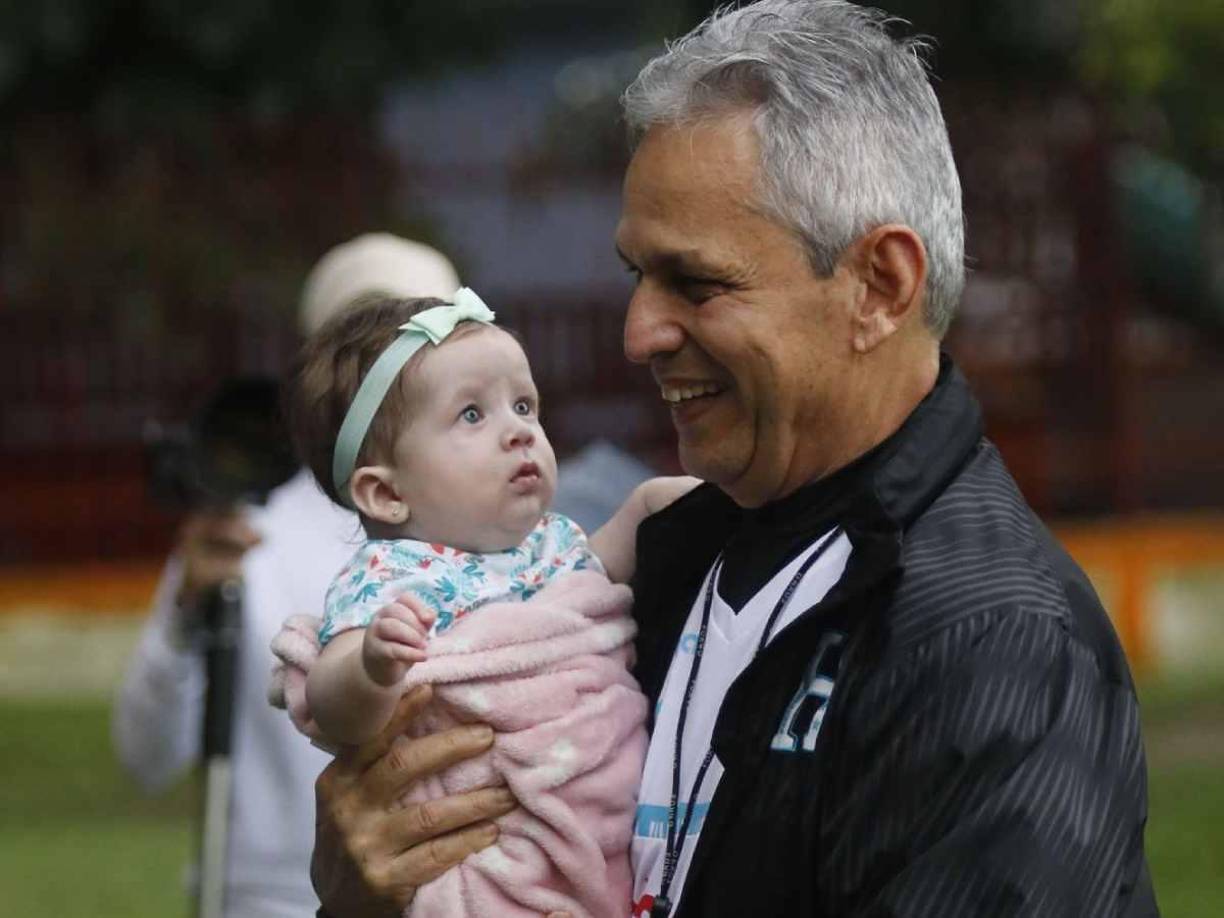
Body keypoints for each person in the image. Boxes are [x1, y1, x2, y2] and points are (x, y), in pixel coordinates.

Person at [307, 3, 1160, 917]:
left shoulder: (994, 642)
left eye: (697, 283)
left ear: (879, 287)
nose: (640, 333)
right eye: (637, 275)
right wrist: (363, 899)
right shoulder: (660, 558)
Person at [267, 289, 695, 916]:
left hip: (596, 808)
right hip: (494, 845)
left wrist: (649, 506)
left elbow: (593, 577)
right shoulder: (392, 578)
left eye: (524, 405)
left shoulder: (548, 542)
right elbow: (333, 704)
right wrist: (371, 666)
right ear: (386, 494)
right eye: (472, 415)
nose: (519, 431)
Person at [112, 233, 464, 918]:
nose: (386, 367)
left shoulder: (501, 524)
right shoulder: (242, 531)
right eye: (362, 342)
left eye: (412, 337)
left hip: (452, 892)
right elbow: (145, 757)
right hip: (271, 900)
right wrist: (185, 615)